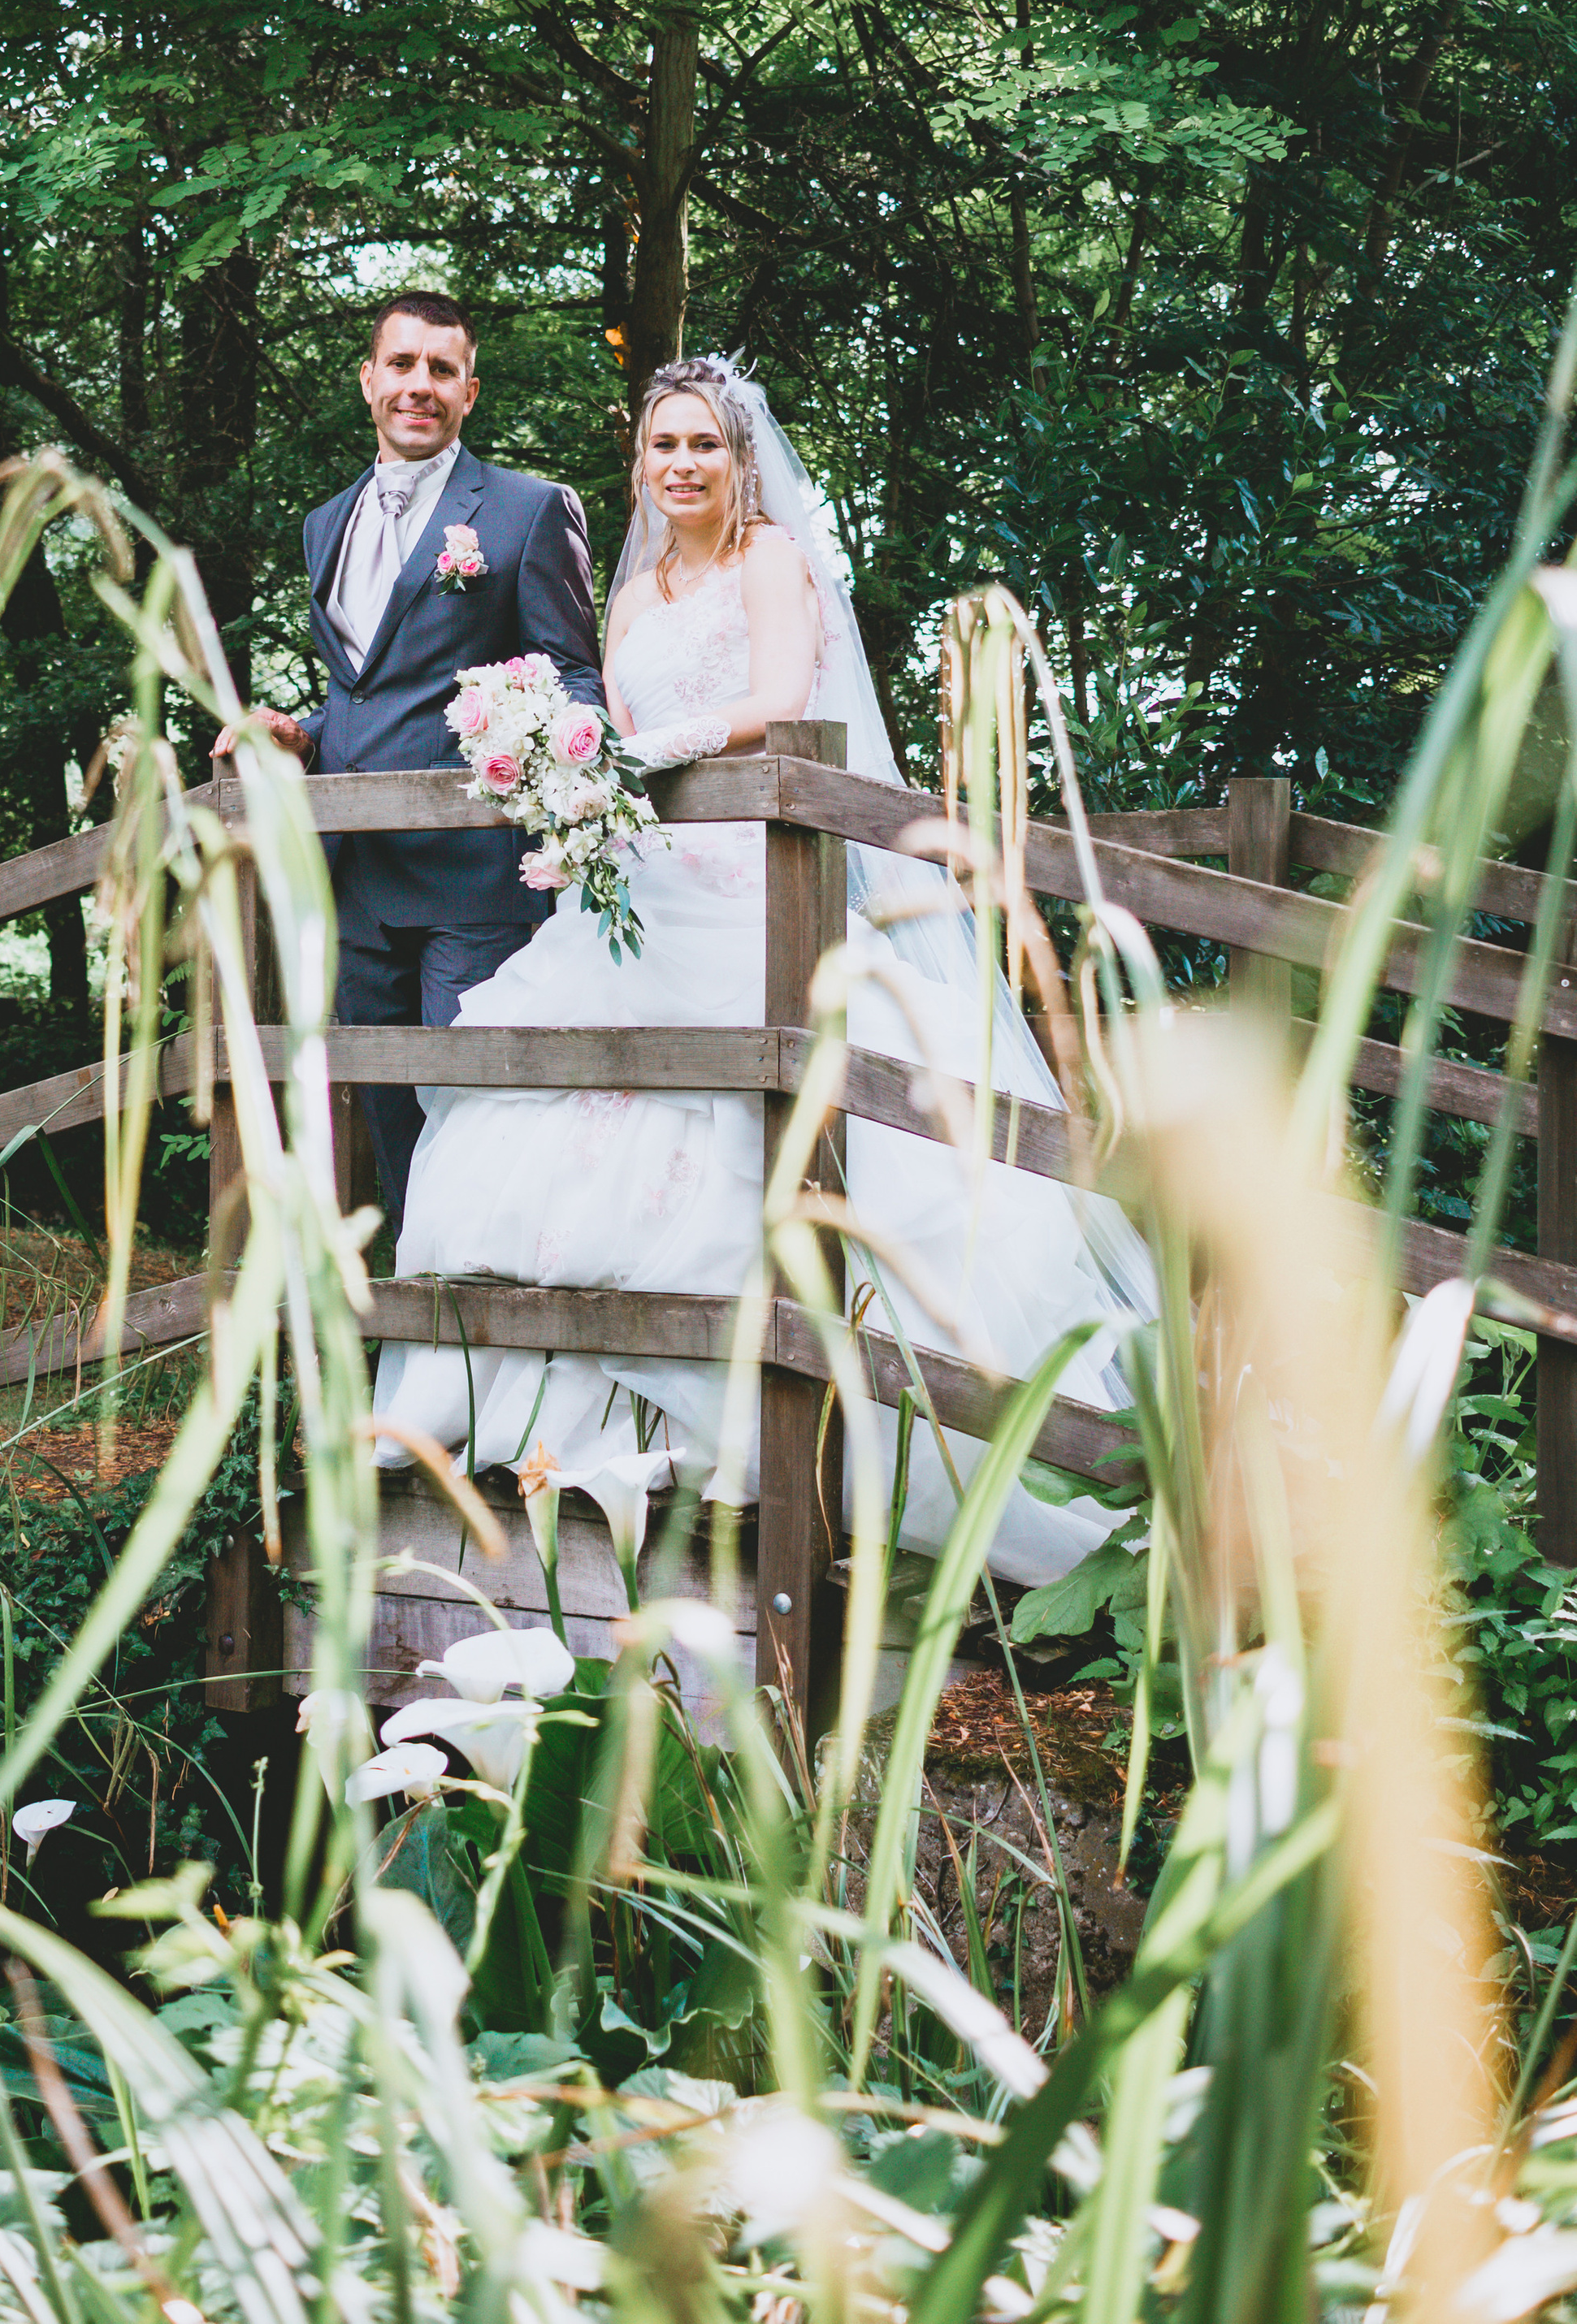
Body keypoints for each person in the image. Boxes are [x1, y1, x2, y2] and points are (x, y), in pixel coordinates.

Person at [370, 357, 1159, 1587]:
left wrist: (665, 743)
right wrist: (570, 759)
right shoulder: (630, 595)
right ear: (640, 465)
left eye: (703, 445)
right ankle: (550, 1439)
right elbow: (605, 713)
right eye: (661, 446)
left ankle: (753, 1455)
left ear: (740, 460)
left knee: (754, 1132)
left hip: (753, 887)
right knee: (522, 1123)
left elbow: (785, 698)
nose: (680, 464)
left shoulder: (774, 561)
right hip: (638, 892)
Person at [219, 291, 604, 1223]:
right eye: (402, 365)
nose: (418, 387)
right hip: (354, 879)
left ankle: (498, 1329)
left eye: (440, 370)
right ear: (368, 380)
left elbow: (574, 678)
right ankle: (422, 1341)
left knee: (478, 1114)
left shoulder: (525, 511)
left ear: (469, 391)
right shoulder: (325, 522)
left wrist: (565, 776)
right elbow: (364, 689)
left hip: (475, 880)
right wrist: (301, 732)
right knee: (388, 1121)